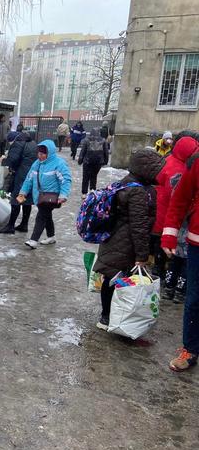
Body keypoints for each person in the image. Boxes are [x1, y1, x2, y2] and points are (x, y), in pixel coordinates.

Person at [92, 149, 164, 330]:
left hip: (113, 240)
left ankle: (107, 316)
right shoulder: (139, 192)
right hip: (126, 244)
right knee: (120, 280)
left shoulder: (124, 184)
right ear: (146, 170)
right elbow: (139, 227)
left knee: (112, 277)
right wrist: (142, 255)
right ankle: (111, 318)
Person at [162, 151, 199, 371]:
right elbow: (181, 198)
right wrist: (170, 233)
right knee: (194, 299)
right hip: (197, 244)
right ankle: (190, 348)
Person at [153, 136, 199, 303]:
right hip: (184, 224)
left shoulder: (167, 162)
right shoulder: (184, 169)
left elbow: (159, 183)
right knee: (185, 262)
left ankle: (167, 286)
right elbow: (181, 198)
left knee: (173, 259)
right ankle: (179, 290)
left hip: (167, 218)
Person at [17, 140, 72, 249]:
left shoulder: (59, 163)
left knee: (41, 215)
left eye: (43, 154)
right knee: (47, 216)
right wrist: (23, 193)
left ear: (49, 153)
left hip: (52, 196)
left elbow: (65, 180)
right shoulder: (36, 164)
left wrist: (63, 195)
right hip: (40, 197)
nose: (40, 156)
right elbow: (29, 179)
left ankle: (33, 240)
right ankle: (51, 237)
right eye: (39, 153)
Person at [0, 131, 37, 234]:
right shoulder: (31, 142)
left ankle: (10, 226)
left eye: (10, 142)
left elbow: (13, 160)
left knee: (16, 198)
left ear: (13, 140)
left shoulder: (18, 143)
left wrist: (3, 160)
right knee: (27, 199)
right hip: (31, 173)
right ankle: (24, 224)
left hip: (22, 174)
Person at [78, 127, 109, 197]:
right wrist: (105, 161)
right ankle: (92, 190)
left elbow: (83, 151)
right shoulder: (103, 140)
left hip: (87, 161)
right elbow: (106, 152)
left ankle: (84, 193)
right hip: (98, 162)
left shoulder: (87, 140)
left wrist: (80, 160)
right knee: (94, 176)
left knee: (85, 177)